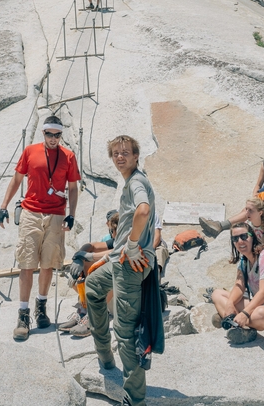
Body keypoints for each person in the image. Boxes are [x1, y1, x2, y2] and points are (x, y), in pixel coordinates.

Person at [86, 135, 156, 406]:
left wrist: (134, 245)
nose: (120, 157)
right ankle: (105, 355)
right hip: (119, 260)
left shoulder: (137, 181)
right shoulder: (129, 181)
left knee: (126, 332)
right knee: (92, 286)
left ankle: (135, 399)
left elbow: (143, 211)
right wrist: (108, 257)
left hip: (131, 264)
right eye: (115, 153)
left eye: (126, 152)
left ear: (136, 156)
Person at [0, 114, 81, 341]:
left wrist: (71, 214)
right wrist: (4, 206)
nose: (53, 139)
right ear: (43, 133)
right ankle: (23, 314)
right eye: (49, 134)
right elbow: (16, 179)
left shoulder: (68, 156)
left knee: (48, 264)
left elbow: (73, 187)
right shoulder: (30, 151)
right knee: (26, 263)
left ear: (61, 135)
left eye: (57, 135)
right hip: (31, 213)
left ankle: (41, 307)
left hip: (56, 214)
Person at [199, 136, 264, 237]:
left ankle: (251, 230)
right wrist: (255, 196)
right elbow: (259, 184)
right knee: (249, 209)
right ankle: (220, 225)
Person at [59, 212, 120, 337]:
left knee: (114, 271)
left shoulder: (130, 240)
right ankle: (84, 309)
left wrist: (88, 256)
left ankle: (94, 316)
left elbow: (116, 252)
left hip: (131, 286)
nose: (112, 234)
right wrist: (79, 257)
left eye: (113, 231)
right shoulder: (115, 240)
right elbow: (92, 246)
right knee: (87, 263)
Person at [200, 197, 264, 248]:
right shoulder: (247, 225)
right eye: (246, 209)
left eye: (251, 211)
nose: (246, 213)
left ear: (260, 213)